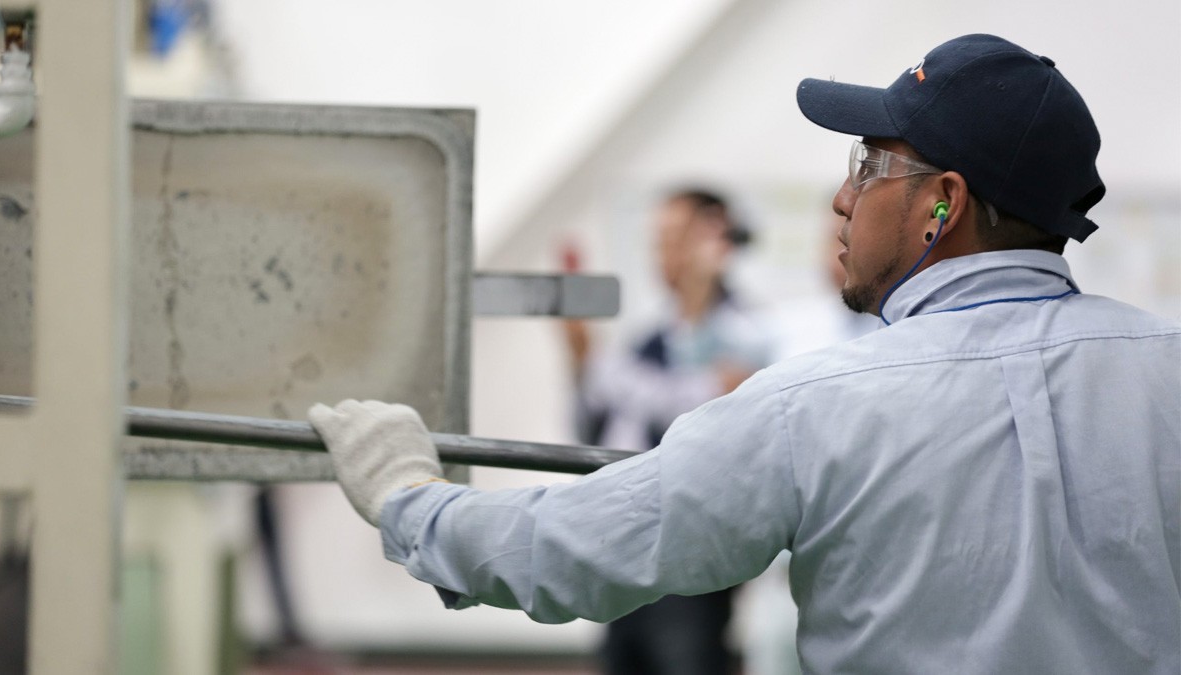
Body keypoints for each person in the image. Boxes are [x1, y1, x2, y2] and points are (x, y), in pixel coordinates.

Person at [309, 34, 1180, 674]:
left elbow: (573, 546)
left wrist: (406, 499)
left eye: (871, 163)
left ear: (942, 205)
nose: (844, 196)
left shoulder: (820, 401)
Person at [562, 188, 773, 675]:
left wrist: (605, 372)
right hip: (624, 555)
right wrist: (578, 357)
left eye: (677, 239)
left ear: (714, 238)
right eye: (659, 243)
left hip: (690, 563)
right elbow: (599, 434)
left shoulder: (750, 330)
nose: (665, 256)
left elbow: (699, 414)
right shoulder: (649, 339)